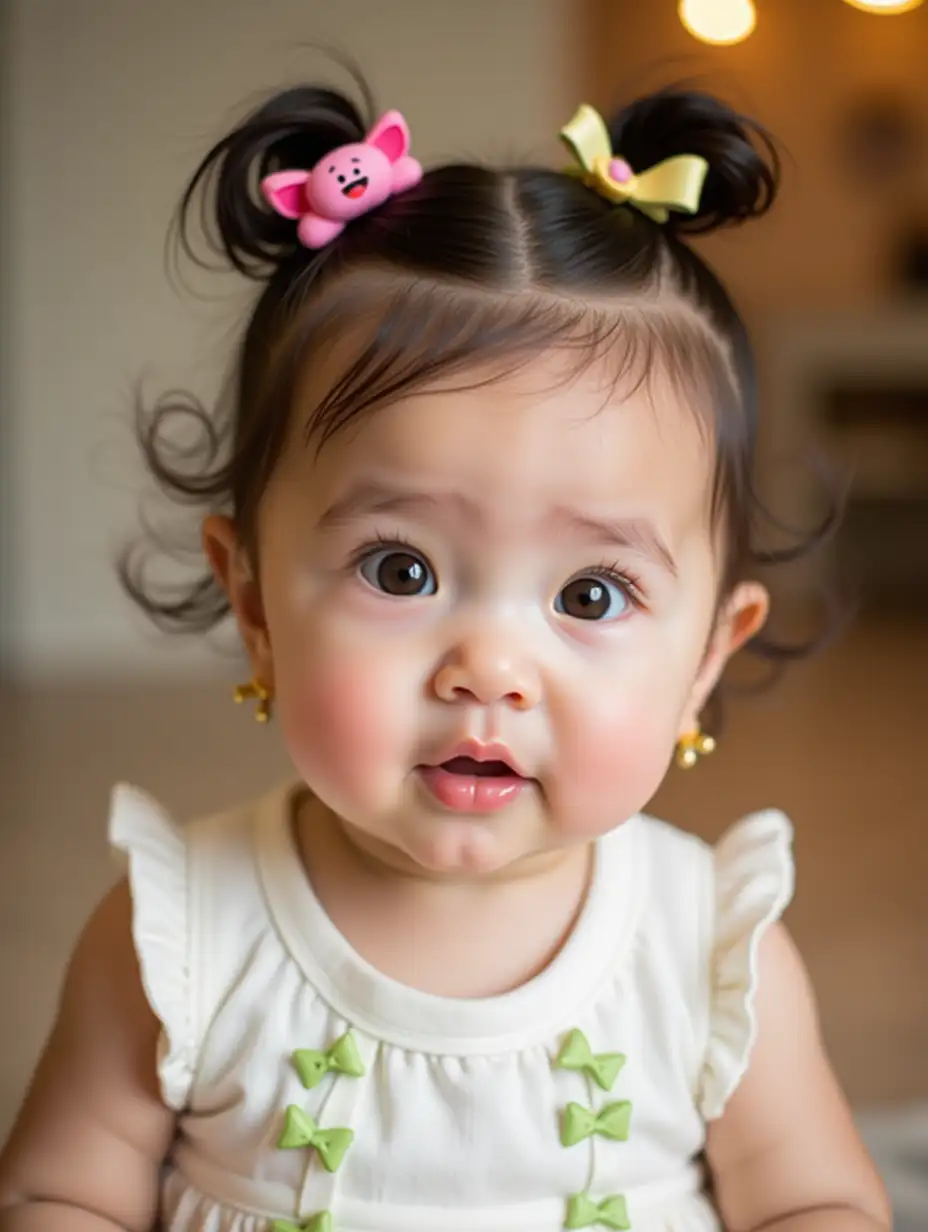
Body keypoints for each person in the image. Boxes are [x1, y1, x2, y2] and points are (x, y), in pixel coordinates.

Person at [0, 64, 891, 1232]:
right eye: (400, 569)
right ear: (256, 603)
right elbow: (61, 1189)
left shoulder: (710, 950)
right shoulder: (182, 938)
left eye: (589, 589)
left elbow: (817, 1202)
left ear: (706, 658)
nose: (489, 667)